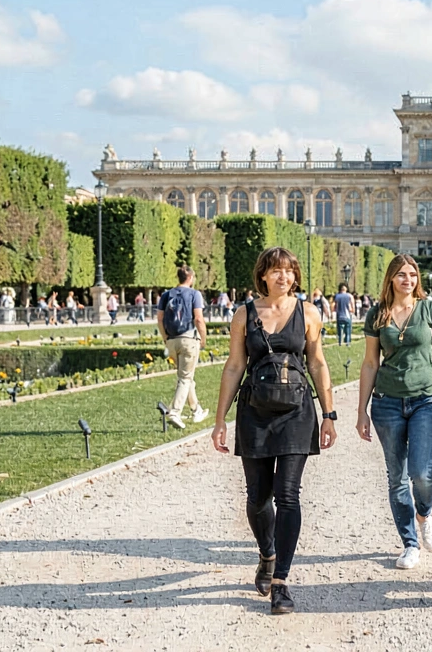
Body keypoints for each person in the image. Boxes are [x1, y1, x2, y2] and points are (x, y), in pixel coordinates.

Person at [212, 247, 337, 614]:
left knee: (288, 495)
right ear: (263, 276)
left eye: (289, 271)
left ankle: (281, 580)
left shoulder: (308, 312)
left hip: (297, 411)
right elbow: (234, 366)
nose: (284, 276)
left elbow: (318, 363)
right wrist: (220, 420)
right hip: (254, 411)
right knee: (257, 497)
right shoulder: (244, 314)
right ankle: (267, 552)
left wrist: (329, 414)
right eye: (276, 270)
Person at [357, 254, 432, 570]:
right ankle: (410, 543)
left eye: (412, 274)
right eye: (401, 274)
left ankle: (424, 514)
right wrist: (361, 410)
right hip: (386, 401)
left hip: (425, 398)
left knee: (422, 472)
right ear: (390, 278)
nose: (408, 280)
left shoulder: (430, 308)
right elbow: (370, 363)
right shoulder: (377, 314)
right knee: (396, 477)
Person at [157, 265, 210, 429]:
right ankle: (175, 412)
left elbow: (160, 319)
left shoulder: (166, 295)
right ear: (191, 278)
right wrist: (203, 338)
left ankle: (196, 410)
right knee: (185, 378)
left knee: (186, 377)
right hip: (188, 339)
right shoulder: (194, 294)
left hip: (171, 340)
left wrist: (165, 338)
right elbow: (198, 319)